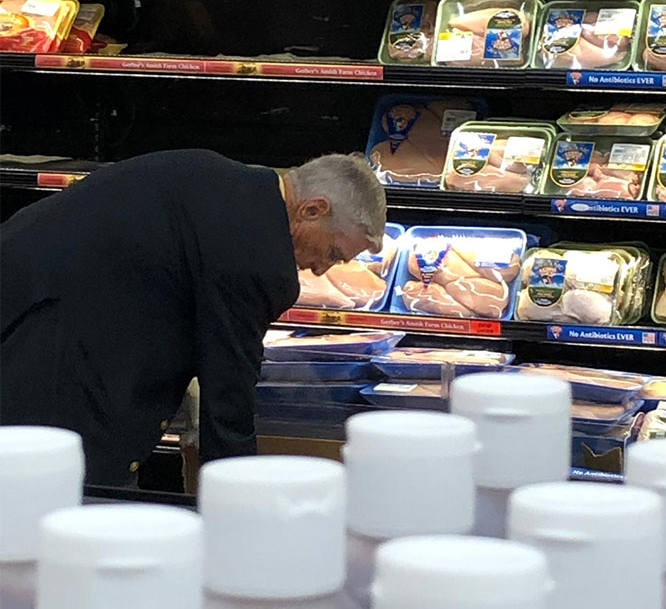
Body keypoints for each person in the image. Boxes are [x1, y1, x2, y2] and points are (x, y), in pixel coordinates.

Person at [0, 149, 386, 485]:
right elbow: (228, 396)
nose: (323, 269)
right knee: (71, 495)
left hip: (24, 290)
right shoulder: (261, 257)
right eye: (333, 253)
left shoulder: (225, 179)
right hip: (50, 343)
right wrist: (240, 500)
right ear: (312, 209)